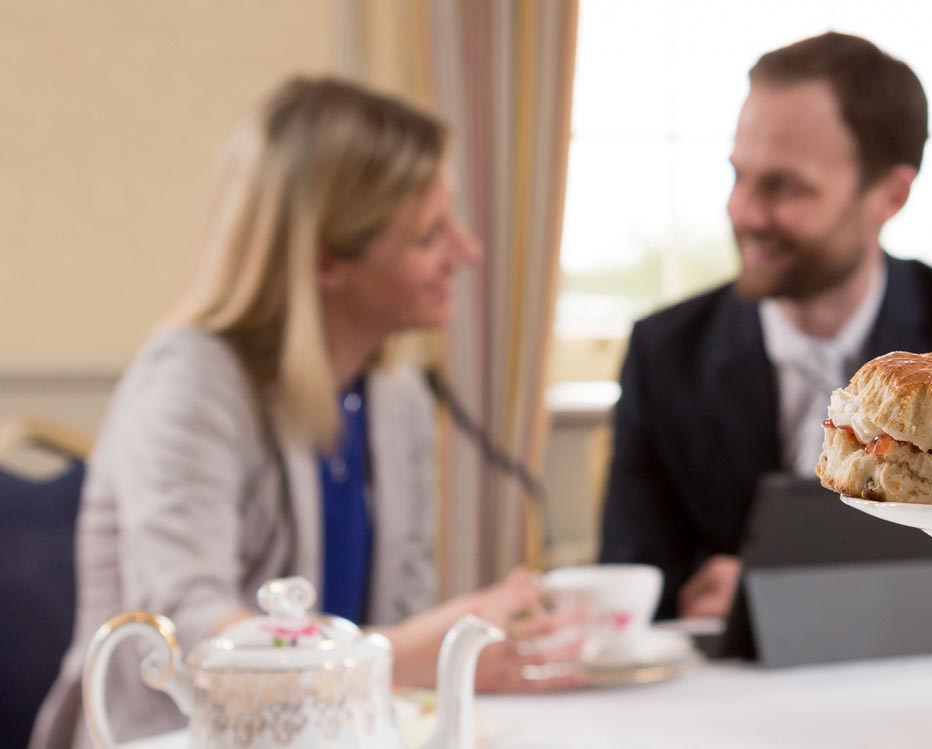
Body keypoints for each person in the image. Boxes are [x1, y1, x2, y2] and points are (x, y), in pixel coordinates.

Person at [32, 77, 578, 749]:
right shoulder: (190, 382)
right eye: (430, 234)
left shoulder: (397, 397)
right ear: (325, 259)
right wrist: (408, 652)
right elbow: (186, 630)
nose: (468, 252)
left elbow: (398, 618)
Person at [598, 33, 932, 621]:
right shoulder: (665, 353)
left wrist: (790, 600)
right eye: (740, 175)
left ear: (890, 194)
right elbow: (631, 588)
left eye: (784, 186)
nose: (743, 211)